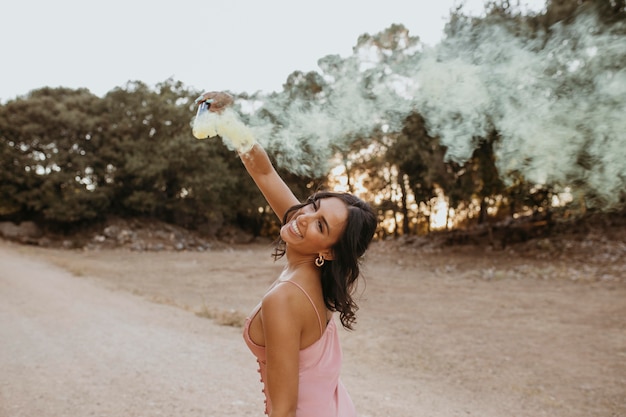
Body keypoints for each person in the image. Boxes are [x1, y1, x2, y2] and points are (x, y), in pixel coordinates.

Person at [195, 91, 378, 417]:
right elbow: (264, 174)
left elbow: (283, 411)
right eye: (313, 205)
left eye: (321, 226)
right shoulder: (318, 269)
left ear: (329, 250)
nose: (304, 217)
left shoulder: (284, 299)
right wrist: (227, 120)